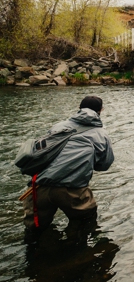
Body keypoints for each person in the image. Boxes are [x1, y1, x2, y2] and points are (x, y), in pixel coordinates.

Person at [22, 95, 114, 231]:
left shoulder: (58, 126)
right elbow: (104, 165)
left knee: (35, 230)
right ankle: (76, 249)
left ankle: (40, 249)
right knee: (84, 224)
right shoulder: (102, 134)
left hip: (40, 185)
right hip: (73, 189)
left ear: (79, 108)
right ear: (101, 110)